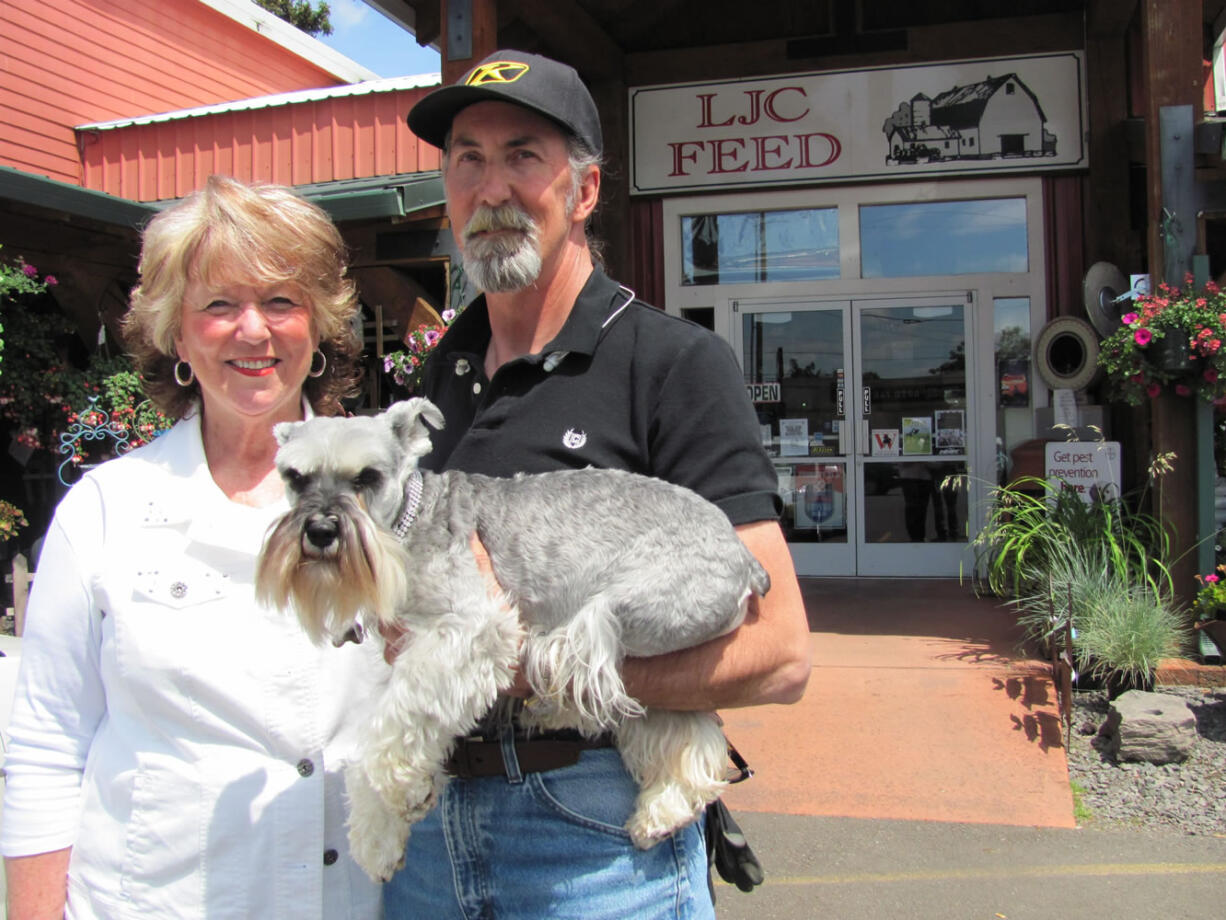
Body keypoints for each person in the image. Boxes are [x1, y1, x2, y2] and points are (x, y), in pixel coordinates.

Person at [383, 49, 812, 919]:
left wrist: (531, 672)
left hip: (591, 834)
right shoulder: (436, 382)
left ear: (583, 192)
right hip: (429, 842)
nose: (491, 187)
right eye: (468, 158)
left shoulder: (672, 364)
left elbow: (780, 654)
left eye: (522, 156)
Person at [0, 176, 384, 920]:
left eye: (281, 301)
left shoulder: (392, 502)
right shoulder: (105, 510)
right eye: (218, 305)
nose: (253, 330)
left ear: (319, 327)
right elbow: (46, 746)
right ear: (177, 333)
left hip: (349, 900)